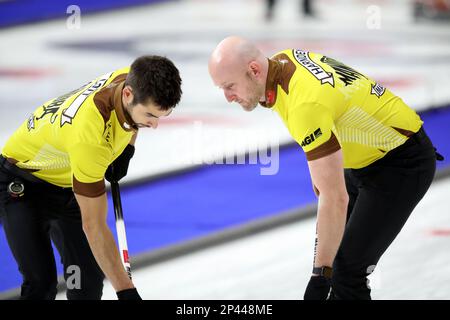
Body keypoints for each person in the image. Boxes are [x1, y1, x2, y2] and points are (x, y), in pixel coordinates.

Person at [208, 36, 443, 300]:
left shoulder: (304, 104)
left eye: (229, 86)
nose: (228, 97)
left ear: (254, 70)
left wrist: (319, 276)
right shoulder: (284, 61)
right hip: (367, 159)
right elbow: (326, 188)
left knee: (345, 273)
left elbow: (334, 197)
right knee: (337, 268)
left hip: (401, 164)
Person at [0, 55, 182, 300]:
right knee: (40, 284)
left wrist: (126, 149)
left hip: (67, 183)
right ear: (127, 94)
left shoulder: (133, 77)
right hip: (22, 186)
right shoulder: (90, 137)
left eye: (163, 116)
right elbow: (94, 226)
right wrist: (127, 292)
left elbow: (131, 120)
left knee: (85, 284)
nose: (155, 124)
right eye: (151, 115)